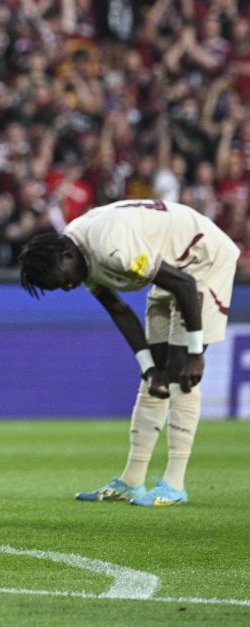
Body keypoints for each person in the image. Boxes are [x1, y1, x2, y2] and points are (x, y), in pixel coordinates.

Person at [18, 199, 238, 507]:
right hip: (173, 266)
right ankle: (132, 481)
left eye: (65, 281)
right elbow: (118, 309)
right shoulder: (76, 249)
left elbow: (186, 286)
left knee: (180, 372)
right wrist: (148, 368)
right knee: (157, 377)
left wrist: (195, 353)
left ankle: (175, 484)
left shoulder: (112, 248)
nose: (68, 287)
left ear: (66, 257)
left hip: (203, 260)